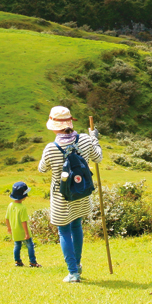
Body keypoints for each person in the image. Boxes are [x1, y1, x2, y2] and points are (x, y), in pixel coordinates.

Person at [38, 105, 102, 282]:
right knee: (77, 227)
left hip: (62, 197)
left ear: (54, 126)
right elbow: (98, 157)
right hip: (81, 193)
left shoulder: (51, 148)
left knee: (64, 231)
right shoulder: (84, 140)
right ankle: (78, 266)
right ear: (70, 123)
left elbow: (42, 169)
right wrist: (94, 139)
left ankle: (73, 272)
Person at [5, 181, 40, 268]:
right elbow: (23, 221)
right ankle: (33, 262)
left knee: (17, 246)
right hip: (23, 231)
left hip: (15, 231)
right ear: (23, 196)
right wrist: (27, 233)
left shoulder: (10, 205)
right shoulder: (22, 208)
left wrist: (9, 228)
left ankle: (17, 261)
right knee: (30, 246)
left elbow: (7, 218)